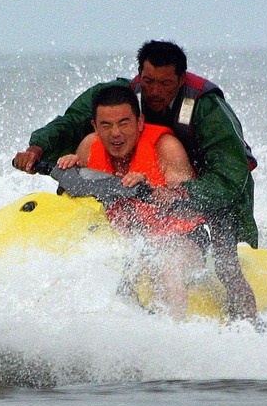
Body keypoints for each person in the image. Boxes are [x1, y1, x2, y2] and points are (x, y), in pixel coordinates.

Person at [14, 40, 259, 324]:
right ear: (139, 75)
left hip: (218, 185)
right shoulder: (122, 96)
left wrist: (182, 193)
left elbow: (231, 173)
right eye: (149, 81)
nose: (155, 92)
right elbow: (71, 121)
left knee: (227, 266)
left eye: (165, 83)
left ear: (181, 80)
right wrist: (37, 149)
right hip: (157, 188)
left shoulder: (205, 106)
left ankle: (251, 327)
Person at [58, 85, 204, 320]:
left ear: (140, 122)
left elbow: (189, 202)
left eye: (123, 123)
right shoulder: (88, 147)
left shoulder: (165, 147)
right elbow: (79, 207)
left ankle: (173, 339)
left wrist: (156, 191)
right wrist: (72, 170)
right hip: (127, 238)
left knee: (164, 264)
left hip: (180, 238)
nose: (115, 133)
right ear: (95, 127)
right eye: (106, 125)